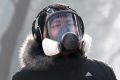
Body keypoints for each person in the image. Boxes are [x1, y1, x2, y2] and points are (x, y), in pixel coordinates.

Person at [12, 4, 117, 80]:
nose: (65, 29)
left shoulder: (102, 71)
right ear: (41, 35)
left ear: (79, 29)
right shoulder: (24, 77)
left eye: (70, 23)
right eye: (57, 25)